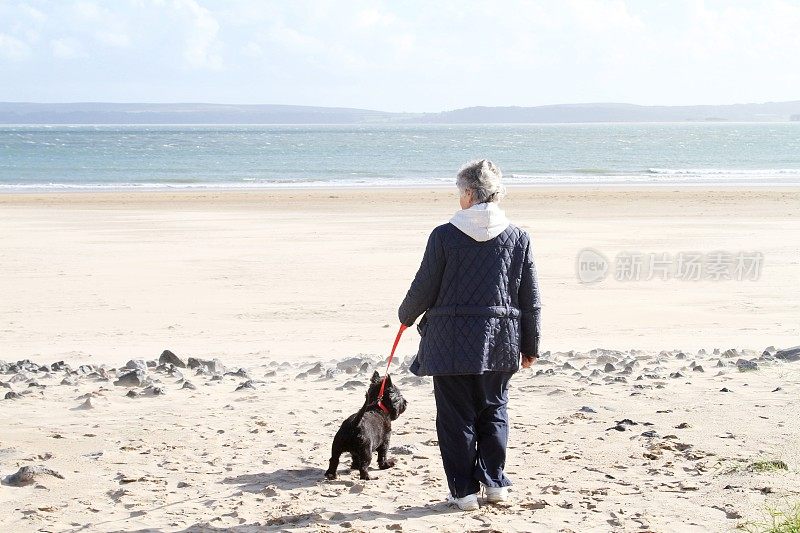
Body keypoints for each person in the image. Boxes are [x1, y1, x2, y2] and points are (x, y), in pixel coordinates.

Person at [398, 159, 541, 511]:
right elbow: (531, 298)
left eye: (458, 192)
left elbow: (424, 287)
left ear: (468, 193)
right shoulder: (518, 236)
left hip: (450, 343)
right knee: (494, 410)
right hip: (500, 338)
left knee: (455, 416)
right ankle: (494, 485)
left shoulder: (444, 234)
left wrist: (405, 316)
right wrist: (531, 345)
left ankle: (463, 492)